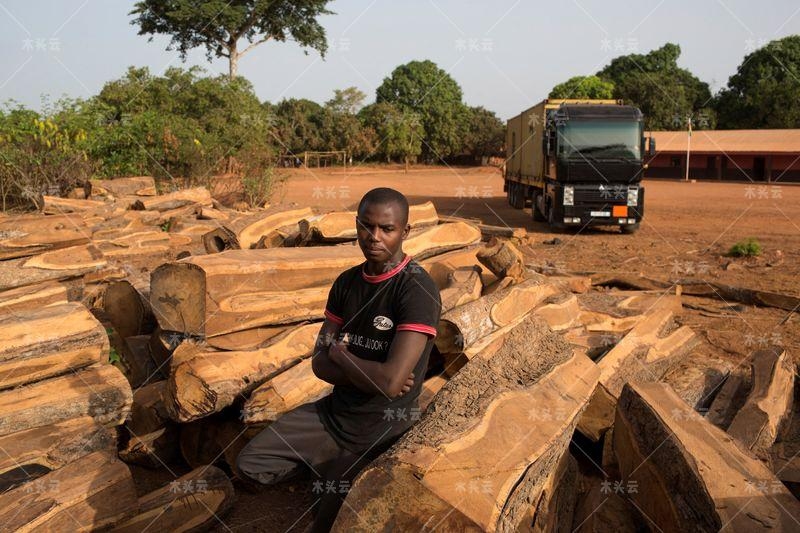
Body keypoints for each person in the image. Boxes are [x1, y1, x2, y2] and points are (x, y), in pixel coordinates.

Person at [236, 187, 442, 532]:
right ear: (357, 225)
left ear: (405, 232)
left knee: (328, 525)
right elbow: (320, 364)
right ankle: (323, 464)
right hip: (333, 414)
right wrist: (368, 372)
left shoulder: (416, 290)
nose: (374, 237)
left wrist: (343, 357)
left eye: (387, 229)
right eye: (366, 226)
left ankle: (336, 477)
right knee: (250, 463)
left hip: (378, 430)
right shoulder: (346, 283)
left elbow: (391, 385)